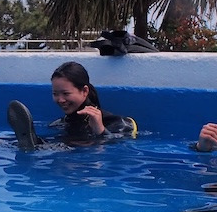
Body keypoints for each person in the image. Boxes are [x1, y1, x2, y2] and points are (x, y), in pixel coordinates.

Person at [8, 61, 137, 150]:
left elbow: (121, 149)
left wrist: (100, 131)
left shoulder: (117, 123)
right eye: (55, 94)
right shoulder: (59, 124)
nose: (60, 100)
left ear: (84, 91)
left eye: (66, 93)